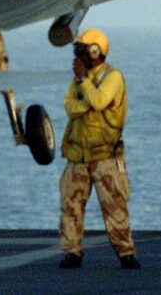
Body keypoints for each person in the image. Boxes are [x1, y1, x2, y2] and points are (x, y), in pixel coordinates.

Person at [58, 28, 140, 269]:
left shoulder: (113, 77)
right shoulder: (79, 80)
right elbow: (70, 107)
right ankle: (72, 252)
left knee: (114, 205)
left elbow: (100, 101)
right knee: (70, 206)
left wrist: (84, 85)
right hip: (78, 156)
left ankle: (126, 252)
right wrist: (87, 98)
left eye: (82, 50)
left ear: (95, 51)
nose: (77, 56)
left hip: (104, 155)